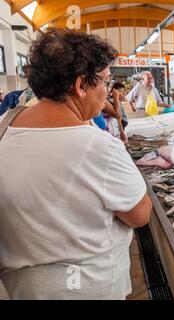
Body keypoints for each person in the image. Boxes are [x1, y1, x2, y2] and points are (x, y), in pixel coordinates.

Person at [0, 28, 152, 300]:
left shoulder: (4, 129)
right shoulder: (98, 147)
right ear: (81, 85)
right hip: (89, 288)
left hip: (24, 287)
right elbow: (139, 215)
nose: (107, 91)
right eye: (105, 81)